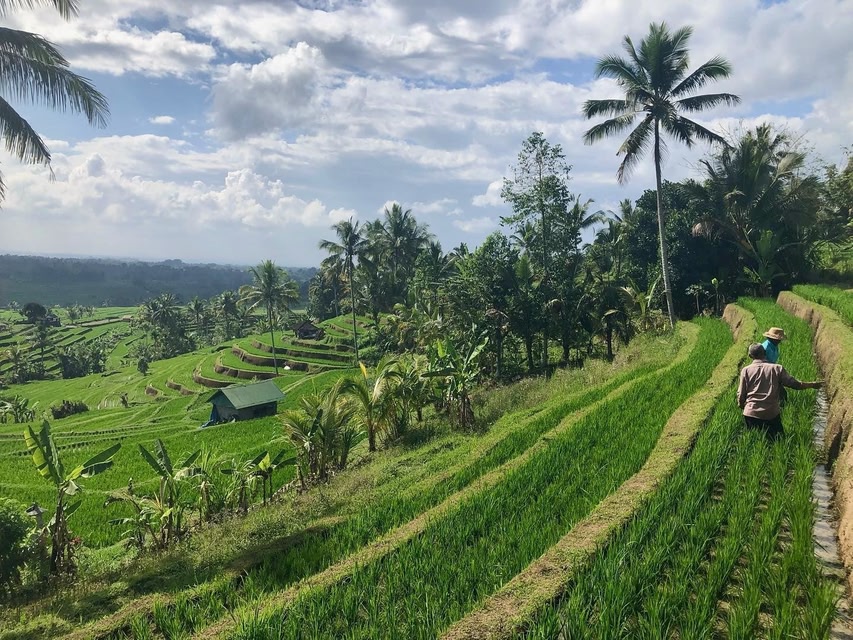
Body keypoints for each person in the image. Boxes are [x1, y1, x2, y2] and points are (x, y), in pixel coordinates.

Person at [737, 343, 821, 440]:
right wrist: (812, 384)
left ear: (750, 356)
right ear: (765, 353)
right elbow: (796, 384)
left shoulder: (745, 370)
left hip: (751, 414)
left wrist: (742, 406)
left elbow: (741, 394)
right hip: (771, 414)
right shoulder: (777, 368)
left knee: (754, 442)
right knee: (777, 441)